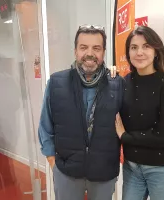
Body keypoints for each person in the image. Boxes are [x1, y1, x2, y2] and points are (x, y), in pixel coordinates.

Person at [38, 25, 125, 200]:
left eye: (96, 48)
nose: (90, 53)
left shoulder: (117, 84)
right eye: (83, 47)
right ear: (75, 51)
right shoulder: (56, 83)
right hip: (66, 172)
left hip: (103, 173)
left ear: (104, 52)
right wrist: (52, 162)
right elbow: (45, 126)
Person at [112, 26, 164, 200]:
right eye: (134, 47)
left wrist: (125, 136)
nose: (139, 52)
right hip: (132, 168)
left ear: (156, 51)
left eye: (146, 46)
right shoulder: (124, 83)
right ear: (128, 53)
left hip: (162, 169)